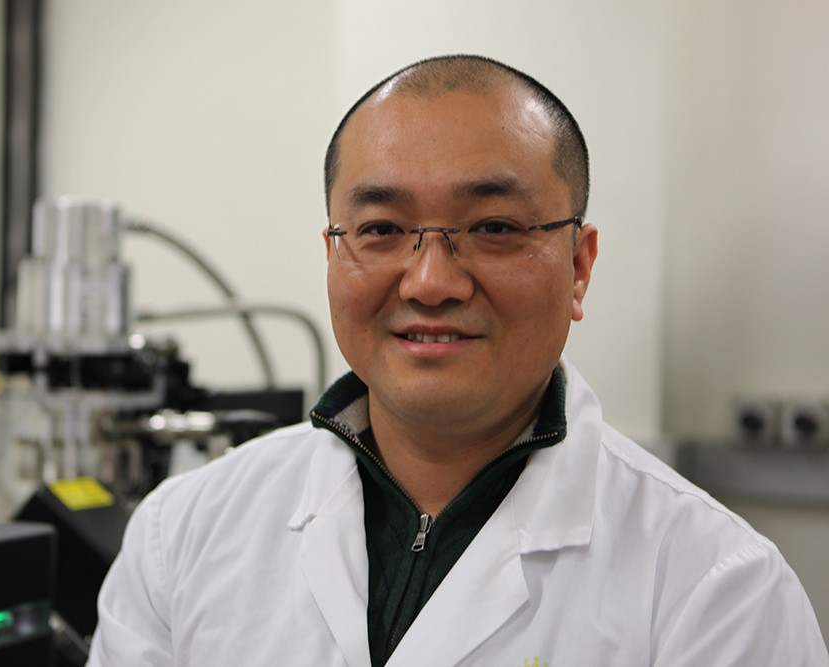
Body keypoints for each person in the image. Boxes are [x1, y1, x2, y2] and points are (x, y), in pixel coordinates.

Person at [87, 55, 828, 666]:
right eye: (381, 228)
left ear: (579, 265)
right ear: (332, 254)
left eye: (495, 226)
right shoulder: (183, 534)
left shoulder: (717, 590)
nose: (432, 281)